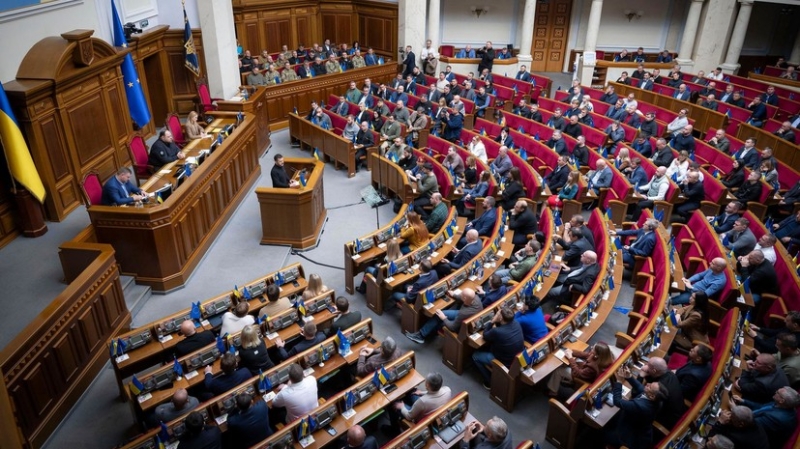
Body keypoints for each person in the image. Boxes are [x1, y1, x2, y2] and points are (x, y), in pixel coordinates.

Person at [604, 366, 667, 449]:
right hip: (638, 428)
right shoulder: (658, 401)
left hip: (627, 437)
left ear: (652, 396)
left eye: (650, 386)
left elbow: (617, 401)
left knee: (601, 431)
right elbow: (641, 389)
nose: (647, 384)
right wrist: (629, 377)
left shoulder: (640, 406)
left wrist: (619, 381)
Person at [405, 288, 482, 344]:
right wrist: (454, 295)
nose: (460, 294)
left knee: (439, 315)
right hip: (467, 316)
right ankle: (429, 332)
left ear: (464, 298)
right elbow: (464, 299)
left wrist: (444, 318)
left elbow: (453, 327)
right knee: (442, 313)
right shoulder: (475, 298)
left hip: (462, 326)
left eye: (461, 294)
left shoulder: (464, 313)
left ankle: (420, 336)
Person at [472, 307, 524, 388]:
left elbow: (485, 335)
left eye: (498, 314)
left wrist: (492, 321)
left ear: (500, 318)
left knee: (475, 355)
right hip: (515, 358)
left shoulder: (497, 331)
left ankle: (489, 382)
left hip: (503, 361)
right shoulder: (516, 323)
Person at [734, 386, 800, 449]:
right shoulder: (782, 405)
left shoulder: (776, 419)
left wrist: (735, 410)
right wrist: (742, 401)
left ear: (782, 401)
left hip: (756, 437)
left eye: (778, 393)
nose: (775, 391)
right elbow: (761, 407)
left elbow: (749, 423)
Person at [546, 342, 614, 399]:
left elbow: (577, 374)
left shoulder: (593, 368)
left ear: (596, 355)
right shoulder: (603, 358)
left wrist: (570, 358)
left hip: (581, 378)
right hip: (585, 370)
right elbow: (586, 355)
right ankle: (564, 380)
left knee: (559, 371)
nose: (591, 347)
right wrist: (570, 351)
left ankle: (553, 392)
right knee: (575, 361)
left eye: (593, 348)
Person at [637, 357, 685, 429]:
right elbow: (654, 379)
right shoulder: (669, 373)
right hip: (677, 411)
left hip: (664, 420)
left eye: (648, 365)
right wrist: (648, 373)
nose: (646, 366)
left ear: (654, 370)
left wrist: (640, 376)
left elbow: (636, 394)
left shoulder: (660, 387)